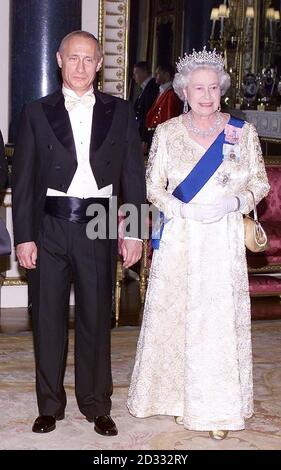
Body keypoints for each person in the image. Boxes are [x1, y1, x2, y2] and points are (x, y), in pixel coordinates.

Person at [127, 47, 270, 439]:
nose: (206, 96)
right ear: (184, 92)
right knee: (179, 316)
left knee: (214, 320)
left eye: (213, 88)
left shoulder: (242, 133)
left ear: (221, 89)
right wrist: (181, 209)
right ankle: (175, 398)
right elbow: (151, 185)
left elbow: (260, 184)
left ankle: (216, 409)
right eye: (198, 89)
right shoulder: (169, 133)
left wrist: (232, 202)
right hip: (183, 234)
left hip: (222, 238)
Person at [12, 30, 146, 436]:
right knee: (48, 318)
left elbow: (133, 178)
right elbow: (24, 181)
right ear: (58, 59)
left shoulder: (121, 112)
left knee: (95, 318)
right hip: (50, 222)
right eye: (73, 58)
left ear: (100, 63)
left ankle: (96, 404)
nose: (81, 67)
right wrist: (24, 236)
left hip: (102, 220)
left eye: (89, 59)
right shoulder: (36, 112)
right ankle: (49, 406)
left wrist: (135, 232)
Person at [145, 63, 183, 149]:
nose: (155, 76)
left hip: (164, 135)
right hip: (155, 133)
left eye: (158, 74)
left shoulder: (172, 94)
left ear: (166, 75)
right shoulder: (161, 90)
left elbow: (170, 117)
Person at [133, 61, 159, 155]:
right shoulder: (145, 88)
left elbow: (147, 114)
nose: (134, 76)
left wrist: (144, 138)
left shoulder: (152, 87)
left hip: (147, 135)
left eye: (136, 73)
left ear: (144, 72)